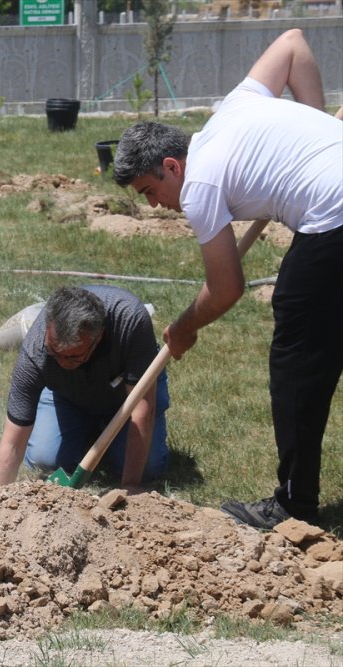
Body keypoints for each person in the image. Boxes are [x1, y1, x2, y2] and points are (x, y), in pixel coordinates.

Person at [112, 28, 342, 530]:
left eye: (151, 191)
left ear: (172, 166)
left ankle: (294, 504)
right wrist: (317, 126)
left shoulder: (199, 186)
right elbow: (293, 44)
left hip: (333, 216)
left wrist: (185, 326)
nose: (155, 206)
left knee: (297, 361)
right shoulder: (232, 108)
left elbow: (226, 288)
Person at [0, 286, 170, 491]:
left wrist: (130, 485)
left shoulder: (130, 320)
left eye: (72, 356)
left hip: (128, 394)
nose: (63, 362)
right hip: (68, 396)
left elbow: (142, 410)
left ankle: (104, 432)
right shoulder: (34, 355)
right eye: (55, 353)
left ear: (98, 337)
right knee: (43, 458)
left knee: (149, 468)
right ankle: (88, 428)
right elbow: (12, 442)